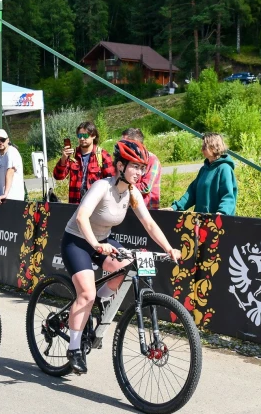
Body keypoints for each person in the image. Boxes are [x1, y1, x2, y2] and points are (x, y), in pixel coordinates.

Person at [61, 139, 181, 375]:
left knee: (127, 266)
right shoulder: (102, 188)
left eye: (141, 167)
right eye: (134, 166)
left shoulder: (133, 193)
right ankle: (74, 348)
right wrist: (95, 244)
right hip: (77, 241)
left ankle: (97, 302)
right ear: (119, 166)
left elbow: (148, 223)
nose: (139, 172)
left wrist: (169, 248)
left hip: (103, 241)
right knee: (86, 292)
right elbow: (81, 217)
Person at [168, 133, 237, 215]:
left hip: (217, 223)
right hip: (201, 220)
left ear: (213, 147)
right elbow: (191, 193)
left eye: (204, 147)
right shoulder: (204, 169)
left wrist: (222, 213)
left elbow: (228, 196)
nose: (201, 150)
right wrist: (174, 208)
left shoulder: (224, 169)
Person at [53, 121, 115, 204]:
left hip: (96, 205)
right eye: (79, 136)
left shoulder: (102, 155)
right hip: (75, 204)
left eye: (85, 136)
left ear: (93, 136)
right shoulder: (72, 155)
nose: (82, 139)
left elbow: (112, 182)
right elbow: (58, 176)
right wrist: (64, 158)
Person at [121, 128, 161, 209]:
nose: (122, 146)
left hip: (147, 209)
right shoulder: (124, 160)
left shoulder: (152, 159)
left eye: (125, 144)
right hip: (128, 207)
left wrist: (123, 187)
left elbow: (146, 188)